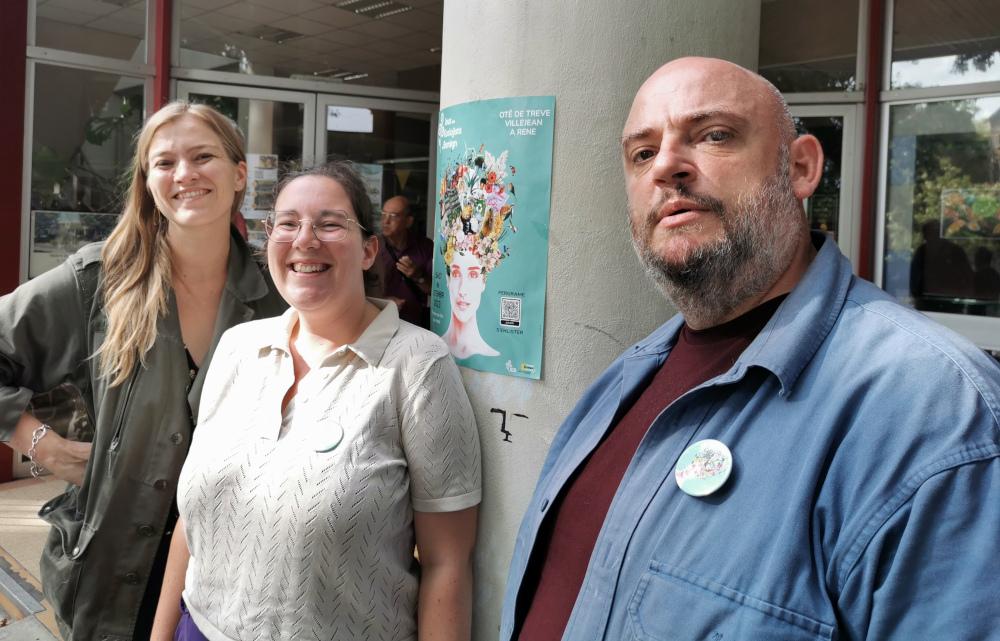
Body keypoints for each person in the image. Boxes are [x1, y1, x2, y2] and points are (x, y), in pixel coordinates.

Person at [501, 57, 1000, 641]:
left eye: (713, 135)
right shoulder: (622, 380)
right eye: (642, 153)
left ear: (801, 167)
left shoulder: (932, 411)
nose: (665, 166)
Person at [151, 162, 481, 641]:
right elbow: (194, 521)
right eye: (287, 223)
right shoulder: (239, 348)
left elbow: (447, 563)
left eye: (329, 224)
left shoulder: (416, 365)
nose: (305, 240)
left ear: (369, 250)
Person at [0, 102, 286, 640]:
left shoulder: (277, 298)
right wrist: (45, 446)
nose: (185, 174)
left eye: (204, 156)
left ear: (239, 173)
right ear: (148, 181)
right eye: (165, 162)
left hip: (233, 577)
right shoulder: (98, 282)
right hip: (111, 574)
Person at [439, 148, 515, 359]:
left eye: (473, 274)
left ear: (484, 280)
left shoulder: (493, 355)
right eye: (455, 273)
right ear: (446, 278)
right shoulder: (430, 347)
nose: (462, 290)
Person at [373, 195, 434, 327]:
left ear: (408, 221)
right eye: (383, 214)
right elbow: (355, 289)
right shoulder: (372, 247)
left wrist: (418, 276)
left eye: (393, 216)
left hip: (415, 326)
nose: (386, 221)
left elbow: (436, 292)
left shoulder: (425, 247)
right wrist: (383, 301)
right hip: (378, 323)